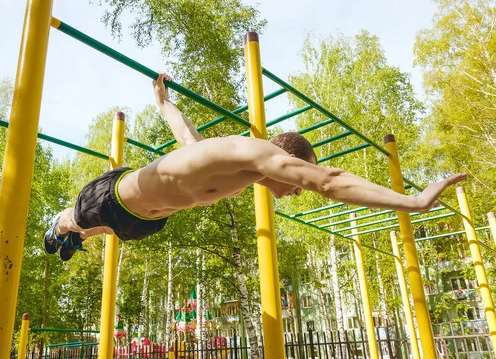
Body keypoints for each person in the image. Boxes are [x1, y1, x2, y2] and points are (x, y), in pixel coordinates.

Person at [45, 74, 466, 261]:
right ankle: (60, 227)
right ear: (287, 162)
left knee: (109, 231)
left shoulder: (238, 175)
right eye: (299, 176)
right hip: (114, 195)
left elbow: (187, 141)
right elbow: (330, 182)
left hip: (148, 221)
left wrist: (164, 104)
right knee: (74, 221)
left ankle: (76, 237)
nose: (298, 189)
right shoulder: (250, 153)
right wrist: (411, 201)